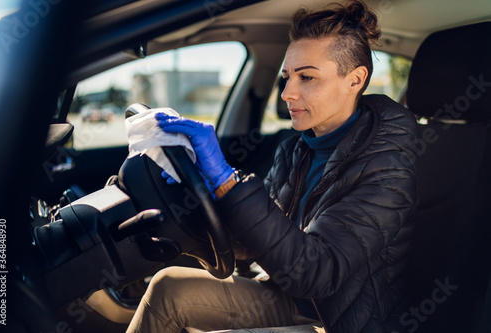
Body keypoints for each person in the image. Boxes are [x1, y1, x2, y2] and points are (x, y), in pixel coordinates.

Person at [126, 1, 419, 332]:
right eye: (286, 77)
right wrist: (209, 192)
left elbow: (315, 274)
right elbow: (259, 242)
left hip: (340, 321)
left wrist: (228, 181)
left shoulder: (389, 169)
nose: (287, 93)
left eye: (306, 77)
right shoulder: (294, 150)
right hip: (282, 293)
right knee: (167, 286)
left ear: (355, 80)